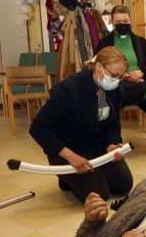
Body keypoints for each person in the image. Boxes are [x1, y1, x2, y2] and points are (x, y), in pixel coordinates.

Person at [30, 47, 133, 203]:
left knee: (123, 186)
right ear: (98, 67)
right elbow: (38, 128)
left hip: (97, 148)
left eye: (120, 77)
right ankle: (65, 178)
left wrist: (111, 144)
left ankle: (87, 176)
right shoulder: (69, 89)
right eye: (114, 75)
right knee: (99, 195)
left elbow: (113, 124)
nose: (116, 81)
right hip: (69, 150)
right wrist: (69, 156)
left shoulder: (116, 91)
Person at [96, 5, 146, 159]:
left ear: (130, 21)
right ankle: (115, 142)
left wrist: (140, 72)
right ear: (112, 22)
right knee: (108, 104)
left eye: (125, 21)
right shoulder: (104, 43)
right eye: (118, 21)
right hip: (115, 85)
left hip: (142, 83)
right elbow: (97, 65)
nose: (122, 24)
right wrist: (121, 75)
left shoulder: (141, 42)